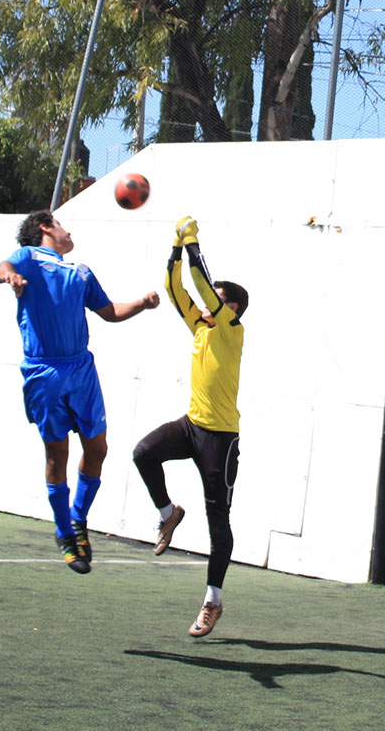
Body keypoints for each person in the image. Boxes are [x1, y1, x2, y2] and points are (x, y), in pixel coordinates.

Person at [0, 209, 160, 574]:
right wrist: (11, 278)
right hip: (45, 371)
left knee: (98, 448)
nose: (68, 231)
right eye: (61, 224)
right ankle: (63, 532)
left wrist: (142, 304)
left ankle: (78, 520)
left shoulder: (81, 272)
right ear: (45, 227)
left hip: (82, 369)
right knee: (57, 455)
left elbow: (110, 312)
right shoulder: (29, 257)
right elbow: (4, 265)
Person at [132, 216, 248, 637]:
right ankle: (168, 513)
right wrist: (176, 247)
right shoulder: (200, 327)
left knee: (219, 523)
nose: (204, 305)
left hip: (221, 440)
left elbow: (200, 286)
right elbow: (174, 287)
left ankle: (212, 601)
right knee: (144, 452)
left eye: (214, 301)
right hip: (191, 426)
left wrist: (193, 236)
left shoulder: (231, 331)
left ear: (229, 308)